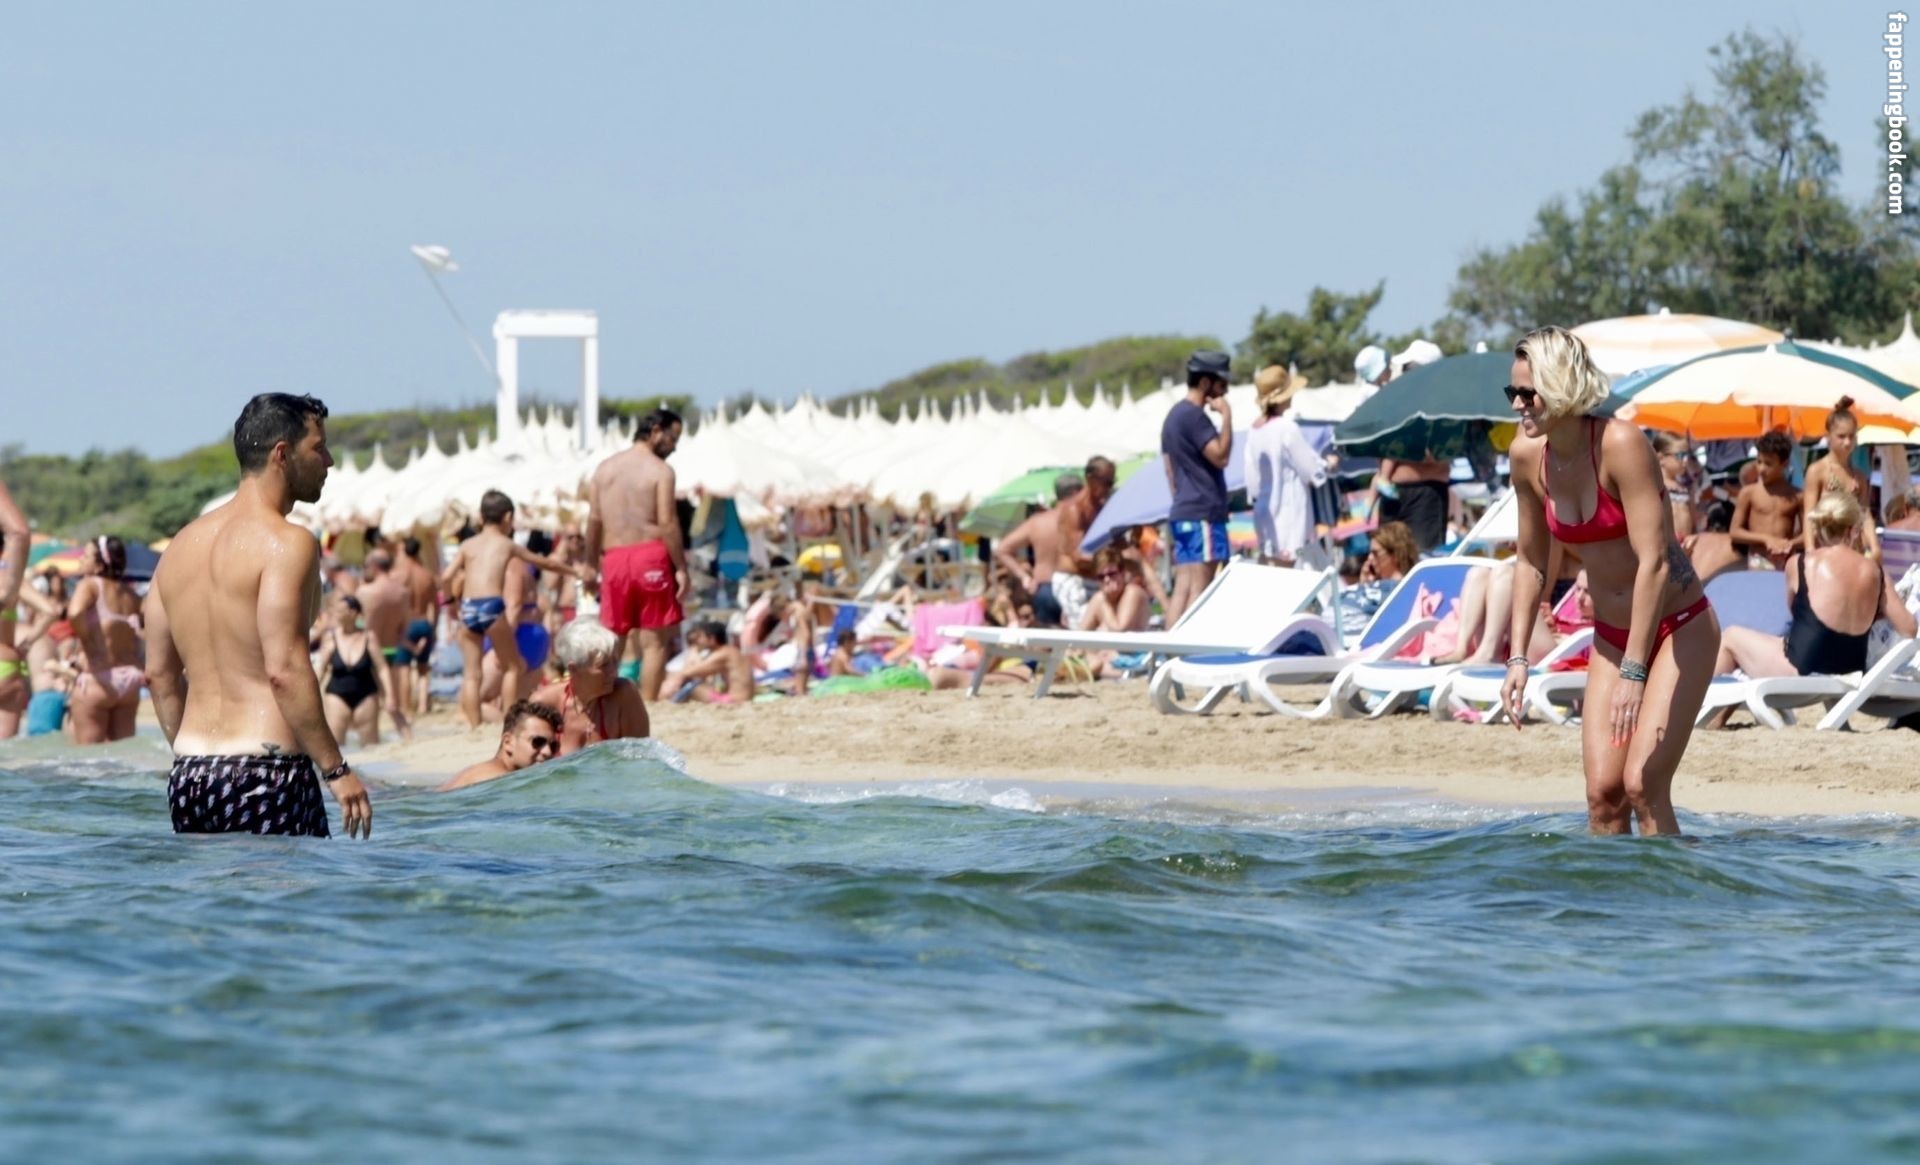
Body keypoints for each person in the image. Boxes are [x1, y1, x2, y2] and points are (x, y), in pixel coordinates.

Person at [1500, 326, 1718, 837]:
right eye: (1512, 392)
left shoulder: (1620, 444)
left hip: (1678, 627)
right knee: (1603, 796)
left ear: (1561, 385)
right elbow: (1530, 561)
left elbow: (1655, 562)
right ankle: (1612, 891)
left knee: (1643, 785)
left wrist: (1635, 673)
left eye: (1528, 393)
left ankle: (1673, 883)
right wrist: (1517, 658)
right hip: (1612, 636)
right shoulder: (1526, 457)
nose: (1517, 405)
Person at [144, 393, 371, 838]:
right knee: (285, 887)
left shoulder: (178, 547)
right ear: (282, 455)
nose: (328, 460)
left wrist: (197, 758)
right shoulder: (288, 543)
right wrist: (336, 770)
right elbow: (284, 669)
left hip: (190, 774)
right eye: (319, 447)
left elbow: (158, 674)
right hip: (268, 772)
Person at [1714, 489, 1917, 683]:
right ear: (1853, 530)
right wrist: (1873, 614)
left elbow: (1800, 615)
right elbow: (1909, 628)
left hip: (1803, 669)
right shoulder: (1876, 572)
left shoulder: (1801, 563)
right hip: (1852, 671)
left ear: (1819, 528)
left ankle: (1705, 702)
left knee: (1731, 637)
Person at [441, 489, 585, 729]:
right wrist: (573, 571)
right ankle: (510, 724)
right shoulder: (506, 544)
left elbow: (446, 576)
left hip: (468, 606)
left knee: (472, 673)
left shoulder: (467, 545)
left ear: (481, 517)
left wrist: (450, 603)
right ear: (507, 517)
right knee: (512, 666)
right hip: (491, 605)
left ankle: (474, 726)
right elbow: (545, 563)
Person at [586, 406, 686, 701]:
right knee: (654, 641)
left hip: (614, 558)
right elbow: (667, 522)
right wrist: (681, 567)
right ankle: (649, 706)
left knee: (613, 639)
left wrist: (589, 564)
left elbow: (594, 520)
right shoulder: (661, 471)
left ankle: (604, 703)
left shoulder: (604, 469)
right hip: (650, 555)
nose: (674, 447)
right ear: (655, 431)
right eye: (673, 438)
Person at [1162, 350, 1234, 626]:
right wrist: (1226, 416)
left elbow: (1170, 471)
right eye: (1222, 383)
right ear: (1205, 382)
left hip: (1182, 511)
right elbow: (1221, 456)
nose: (1225, 391)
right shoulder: (1194, 417)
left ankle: (1168, 647)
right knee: (1201, 590)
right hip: (1203, 512)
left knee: (1183, 588)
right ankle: (1189, 646)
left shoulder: (1173, 416)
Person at [1243, 365, 1330, 567]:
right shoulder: (1287, 428)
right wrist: (1328, 465)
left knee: (1269, 566)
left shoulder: (1253, 431)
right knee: (1291, 568)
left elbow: (1252, 482)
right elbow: (1310, 469)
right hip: (1289, 511)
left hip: (1265, 512)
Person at [66, 536, 145, 744]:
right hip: (129, 681)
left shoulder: (90, 585)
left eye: (86, 556)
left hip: (99, 678)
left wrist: (87, 643)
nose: (80, 560)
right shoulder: (131, 594)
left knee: (88, 757)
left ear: (100, 564)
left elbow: (74, 613)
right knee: (123, 753)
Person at [531, 619, 649, 753]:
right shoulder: (544, 704)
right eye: (603, 665)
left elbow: (641, 755)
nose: (614, 672)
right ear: (573, 669)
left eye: (615, 661)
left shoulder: (624, 695)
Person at [317, 593, 405, 747]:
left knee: (370, 746)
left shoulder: (368, 637)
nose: (336, 613)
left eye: (340, 610)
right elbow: (321, 669)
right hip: (336, 694)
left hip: (366, 694)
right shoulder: (330, 638)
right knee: (336, 746)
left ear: (353, 613)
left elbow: (382, 668)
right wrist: (313, 693)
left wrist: (390, 696)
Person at [992, 474, 1077, 626]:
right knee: (1079, 639)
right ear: (1075, 493)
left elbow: (1002, 549)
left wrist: (1024, 577)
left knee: (1046, 639)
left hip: (1044, 588)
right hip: (1073, 587)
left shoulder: (1038, 522)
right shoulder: (1079, 520)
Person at [1804, 397, 1881, 560]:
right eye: (1841, 436)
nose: (1847, 442)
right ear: (1828, 436)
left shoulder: (1858, 476)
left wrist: (1875, 547)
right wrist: (1809, 549)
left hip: (1854, 551)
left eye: (1851, 436)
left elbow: (1865, 515)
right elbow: (1809, 515)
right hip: (1825, 551)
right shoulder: (1817, 471)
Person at [436, 700, 564, 791]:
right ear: (508, 742)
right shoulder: (498, 780)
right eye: (538, 742)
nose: (547, 751)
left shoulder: (490, 774)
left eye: (553, 745)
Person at [353, 549, 414, 740]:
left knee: (364, 702)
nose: (364, 569)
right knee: (391, 702)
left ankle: (369, 743)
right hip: (392, 649)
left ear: (375, 566)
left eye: (365, 566)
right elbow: (405, 627)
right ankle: (407, 737)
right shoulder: (403, 592)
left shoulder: (365, 592)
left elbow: (357, 625)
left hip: (369, 651)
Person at [1729, 430, 1801, 568]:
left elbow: (1808, 534)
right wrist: (1766, 539)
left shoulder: (1797, 495)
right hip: (1758, 560)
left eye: (1768, 464)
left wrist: (1788, 544)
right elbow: (1735, 532)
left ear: (1784, 464)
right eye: (1759, 462)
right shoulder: (1749, 492)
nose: (1761, 469)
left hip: (1787, 561)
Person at [1337, 521, 1417, 641]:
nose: (1369, 558)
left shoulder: (1402, 590)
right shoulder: (1377, 587)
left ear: (1395, 555)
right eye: (1369, 553)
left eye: (1375, 553)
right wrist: (1363, 585)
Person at [397, 535, 439, 716]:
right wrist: (433, 628)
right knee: (423, 668)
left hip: (407, 623)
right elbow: (435, 606)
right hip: (424, 622)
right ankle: (422, 706)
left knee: (404, 667)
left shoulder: (399, 575)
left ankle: (406, 708)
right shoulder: (427, 575)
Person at [674, 621, 756, 703]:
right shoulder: (732, 651)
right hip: (744, 698)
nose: (698, 640)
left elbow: (688, 672)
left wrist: (694, 651)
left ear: (712, 639)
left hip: (734, 700)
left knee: (690, 687)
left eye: (701, 637)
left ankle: (671, 702)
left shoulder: (723, 654)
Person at [1652, 431, 1702, 537]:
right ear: (1661, 458)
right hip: (1664, 543)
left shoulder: (1686, 488)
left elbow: (1693, 522)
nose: (1685, 460)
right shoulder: (1655, 488)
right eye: (1680, 455)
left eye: (1687, 455)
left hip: (1685, 544)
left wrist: (1694, 537)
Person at [1683, 500, 1746, 583]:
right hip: (1715, 586)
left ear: (1707, 521)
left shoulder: (1693, 539)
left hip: (1693, 586)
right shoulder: (1736, 544)